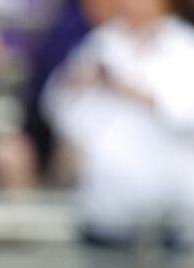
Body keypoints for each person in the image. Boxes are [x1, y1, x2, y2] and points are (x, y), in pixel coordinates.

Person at [43, 0, 194, 249]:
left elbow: (184, 114)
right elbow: (56, 102)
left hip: (171, 208)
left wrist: (130, 91)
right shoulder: (102, 42)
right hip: (106, 207)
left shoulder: (185, 46)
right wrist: (76, 85)